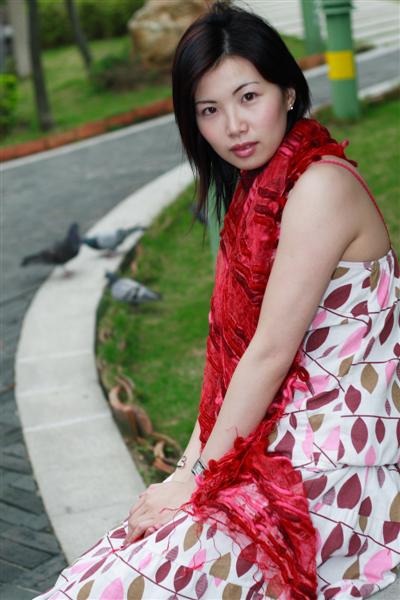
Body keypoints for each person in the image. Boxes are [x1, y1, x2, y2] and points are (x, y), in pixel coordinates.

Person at [35, 3, 399, 599]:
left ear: (287, 92)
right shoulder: (261, 191)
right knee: (110, 568)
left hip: (338, 468)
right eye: (209, 110)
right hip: (283, 440)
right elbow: (234, 359)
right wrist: (186, 475)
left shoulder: (320, 187)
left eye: (248, 97)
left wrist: (193, 481)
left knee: (137, 579)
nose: (234, 126)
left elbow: (269, 351)